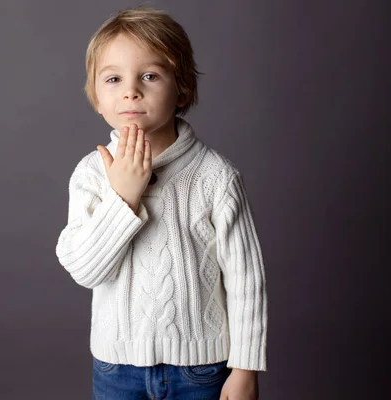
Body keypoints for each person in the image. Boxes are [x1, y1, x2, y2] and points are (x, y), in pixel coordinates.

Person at [55, 6, 267, 400]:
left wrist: (246, 369)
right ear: (96, 97)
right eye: (113, 78)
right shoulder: (91, 174)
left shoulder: (216, 175)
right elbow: (85, 270)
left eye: (150, 76)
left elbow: (246, 280)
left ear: (182, 87)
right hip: (117, 368)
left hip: (202, 370)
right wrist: (123, 197)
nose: (130, 90)